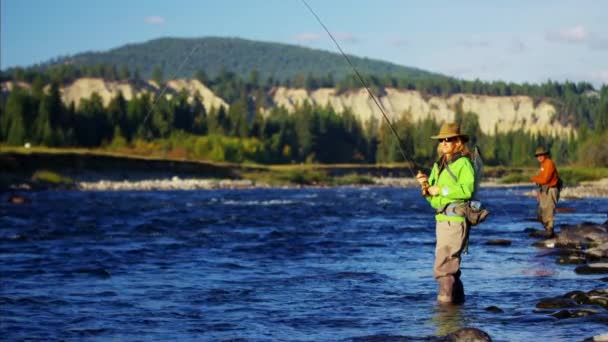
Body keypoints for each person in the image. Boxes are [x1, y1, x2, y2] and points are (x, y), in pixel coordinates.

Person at [416, 122, 475, 305]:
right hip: (442, 220)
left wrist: (441, 190)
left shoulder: (463, 163)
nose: (444, 143)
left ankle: (444, 314)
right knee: (450, 268)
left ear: (458, 142)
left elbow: (467, 190)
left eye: (449, 140)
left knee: (444, 268)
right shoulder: (438, 165)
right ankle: (457, 309)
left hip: (455, 220)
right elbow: (434, 201)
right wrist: (425, 188)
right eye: (442, 140)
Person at [530, 146, 560, 238]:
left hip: (552, 189)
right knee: (541, 212)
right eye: (537, 155)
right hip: (544, 190)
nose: (539, 157)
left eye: (541, 155)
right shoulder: (543, 165)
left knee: (549, 210)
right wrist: (539, 193)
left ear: (545, 155)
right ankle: (548, 229)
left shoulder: (549, 163)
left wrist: (534, 178)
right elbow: (541, 180)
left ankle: (550, 230)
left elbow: (545, 179)